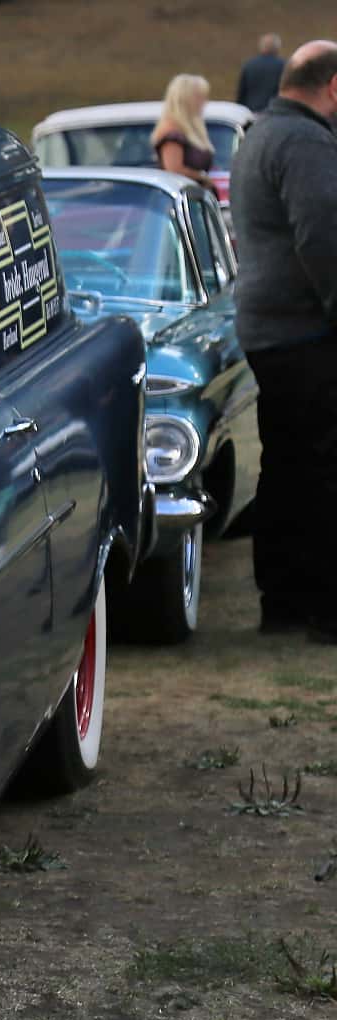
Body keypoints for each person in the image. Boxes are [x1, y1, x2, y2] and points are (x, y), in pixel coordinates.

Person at [229, 40, 337, 643]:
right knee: (323, 467)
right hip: (304, 330)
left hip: (268, 330)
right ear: (334, 86)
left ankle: (284, 601)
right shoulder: (304, 142)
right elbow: (324, 239)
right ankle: (325, 610)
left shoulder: (261, 133)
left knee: (289, 464)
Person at [152, 74, 214, 184]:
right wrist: (202, 177)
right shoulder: (172, 133)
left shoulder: (191, 130)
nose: (204, 102)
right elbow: (174, 170)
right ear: (187, 99)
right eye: (200, 97)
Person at [237, 33, 286, 113]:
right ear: (277, 48)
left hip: (251, 112)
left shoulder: (249, 65)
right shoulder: (283, 66)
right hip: (274, 112)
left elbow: (241, 93)